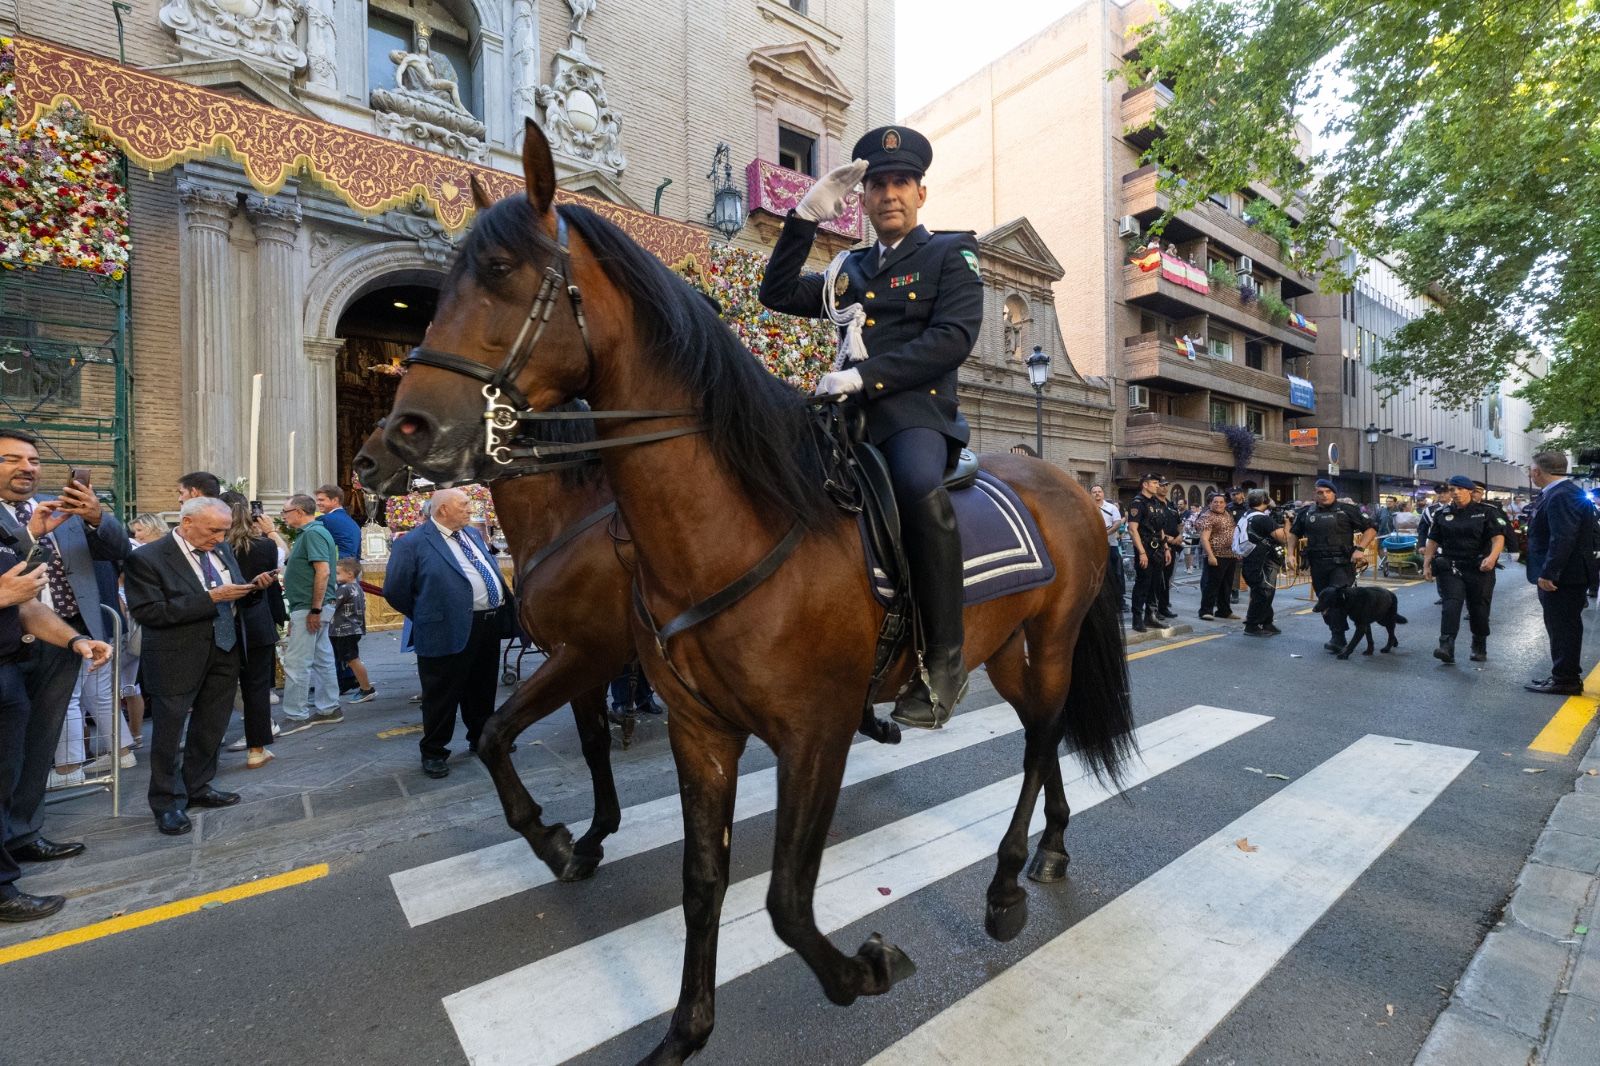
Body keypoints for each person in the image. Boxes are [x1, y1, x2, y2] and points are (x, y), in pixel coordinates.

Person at [758, 125, 983, 730]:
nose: (889, 193)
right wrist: (803, 215)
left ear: (920, 193)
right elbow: (774, 293)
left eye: (901, 183)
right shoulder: (848, 270)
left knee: (914, 486)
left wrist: (863, 378)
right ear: (863, 198)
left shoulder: (950, 255)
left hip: (913, 416)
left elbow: (952, 340)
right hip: (842, 421)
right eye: (878, 184)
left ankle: (943, 660)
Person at [0, 430, 128, 862]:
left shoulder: (60, 509)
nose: (27, 468)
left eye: (33, 460)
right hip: (8, 641)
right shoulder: (21, 523)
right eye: (12, 459)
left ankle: (23, 833)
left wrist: (95, 517)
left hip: (62, 636)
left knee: (40, 740)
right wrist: (28, 535)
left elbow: (118, 549)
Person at [125, 497, 272, 835]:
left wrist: (252, 590)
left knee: (212, 725)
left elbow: (231, 596)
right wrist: (211, 599)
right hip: (177, 656)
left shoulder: (221, 551)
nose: (219, 538)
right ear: (187, 523)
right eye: (213, 530)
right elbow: (149, 612)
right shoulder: (146, 558)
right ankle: (167, 802)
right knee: (168, 733)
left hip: (226, 648)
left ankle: (199, 786)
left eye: (224, 531)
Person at [0, 545, 110, 921]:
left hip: (7, 673)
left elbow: (25, 606)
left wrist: (74, 640)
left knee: (10, 774)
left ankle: (16, 842)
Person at [384, 488, 512, 778]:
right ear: (442, 510)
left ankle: (482, 739)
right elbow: (395, 590)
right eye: (464, 504)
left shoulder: (474, 535)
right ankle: (434, 751)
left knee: (482, 688)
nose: (471, 509)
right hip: (443, 628)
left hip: (486, 624)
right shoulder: (413, 543)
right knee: (441, 695)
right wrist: (429, 615)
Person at [1524, 452, 1599, 694]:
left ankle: (1565, 679)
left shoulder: (1561, 495)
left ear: (1538, 471)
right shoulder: (1563, 493)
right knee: (1561, 626)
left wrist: (1549, 573)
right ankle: (1562, 675)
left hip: (1564, 577)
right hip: (1568, 575)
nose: (1530, 474)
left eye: (1531, 469)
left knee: (1563, 627)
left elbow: (1563, 537)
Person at [219, 494, 285, 768]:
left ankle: (208, 747)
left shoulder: (214, 547)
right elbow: (283, 559)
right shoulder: (265, 546)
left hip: (222, 622)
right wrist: (271, 531)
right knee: (256, 687)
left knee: (218, 688)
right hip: (257, 619)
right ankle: (256, 749)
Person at [1422, 475, 1505, 664]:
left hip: (1479, 568)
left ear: (1470, 490)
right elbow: (1433, 540)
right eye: (1452, 489)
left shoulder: (1486, 512)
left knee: (1478, 609)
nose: (1456, 493)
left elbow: (1498, 538)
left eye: (1460, 489)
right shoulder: (1442, 513)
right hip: (1451, 567)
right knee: (1450, 605)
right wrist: (1426, 564)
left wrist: (1492, 558)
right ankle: (1446, 646)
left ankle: (1479, 645)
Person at [278, 494, 343, 731]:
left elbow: (323, 572)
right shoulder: (313, 532)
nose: (283, 517)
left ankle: (297, 715)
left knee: (297, 662)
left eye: (285, 512)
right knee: (322, 657)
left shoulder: (313, 533)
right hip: (312, 606)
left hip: (310, 606)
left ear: (299, 511)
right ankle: (329, 708)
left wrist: (314, 609)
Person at [1292, 478, 1377, 652]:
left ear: (1334, 493)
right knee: (1325, 601)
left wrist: (1360, 548)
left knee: (1336, 598)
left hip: (1341, 564)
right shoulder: (1306, 512)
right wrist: (1290, 554)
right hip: (1317, 565)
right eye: (1320, 492)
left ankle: (1339, 637)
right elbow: (1294, 533)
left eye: (1328, 492)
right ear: (1315, 494)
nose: (1324, 495)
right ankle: (1337, 634)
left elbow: (1371, 529)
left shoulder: (1347, 510)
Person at [1240, 490, 1287, 636]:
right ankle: (1252, 625)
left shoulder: (1247, 515)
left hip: (1251, 560)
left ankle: (1267, 622)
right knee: (1263, 593)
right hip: (1263, 562)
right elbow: (1283, 538)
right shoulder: (1262, 519)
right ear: (1265, 500)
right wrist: (1288, 522)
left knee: (1262, 592)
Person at [1126, 473, 1169, 632]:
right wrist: (1142, 553)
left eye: (1158, 483)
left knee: (1155, 585)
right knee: (1142, 585)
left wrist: (1166, 548)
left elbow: (1160, 528)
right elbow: (1132, 529)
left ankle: (1151, 617)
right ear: (1145, 484)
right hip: (1145, 548)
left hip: (1158, 548)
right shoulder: (1138, 503)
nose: (1157, 485)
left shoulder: (1157, 502)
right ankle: (1137, 620)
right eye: (1154, 482)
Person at [330, 558, 376, 704]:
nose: (334, 576)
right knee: (351, 659)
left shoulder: (344, 589)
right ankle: (364, 686)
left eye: (337, 573)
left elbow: (332, 604)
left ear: (350, 574)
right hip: (352, 629)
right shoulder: (357, 587)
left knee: (352, 660)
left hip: (344, 630)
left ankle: (366, 688)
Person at [1195, 493, 1240, 620]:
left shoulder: (1227, 514)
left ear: (1225, 504)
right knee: (1211, 585)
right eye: (1215, 502)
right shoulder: (1207, 516)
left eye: (1221, 502)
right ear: (1210, 503)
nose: (1218, 504)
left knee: (1227, 585)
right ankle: (1205, 611)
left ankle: (1224, 611)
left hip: (1230, 555)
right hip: (1216, 555)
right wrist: (1210, 556)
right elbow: (1204, 539)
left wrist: (1237, 551)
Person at [1091, 485, 1125, 609]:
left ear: (1103, 494)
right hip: (1094, 548)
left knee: (1116, 573)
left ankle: (1120, 600)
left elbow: (1117, 523)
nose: (1097, 494)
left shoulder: (1111, 508)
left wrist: (1105, 533)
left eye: (1099, 491)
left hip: (1111, 545)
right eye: (1094, 492)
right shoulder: (1088, 508)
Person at [314, 483, 362, 561]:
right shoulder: (351, 521)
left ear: (335, 500)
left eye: (321, 500)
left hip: (336, 567)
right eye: (317, 500)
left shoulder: (326, 519)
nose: (317, 503)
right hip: (352, 567)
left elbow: (314, 546)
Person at [1155, 482, 1181, 620]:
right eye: (1161, 485)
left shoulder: (1171, 505)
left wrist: (1180, 535)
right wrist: (1169, 539)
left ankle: (1164, 607)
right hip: (1159, 548)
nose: (1164, 488)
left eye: (1166, 485)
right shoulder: (1153, 504)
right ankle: (1155, 609)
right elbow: (1155, 527)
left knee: (1167, 579)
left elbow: (1179, 522)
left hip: (1173, 547)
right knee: (1159, 580)